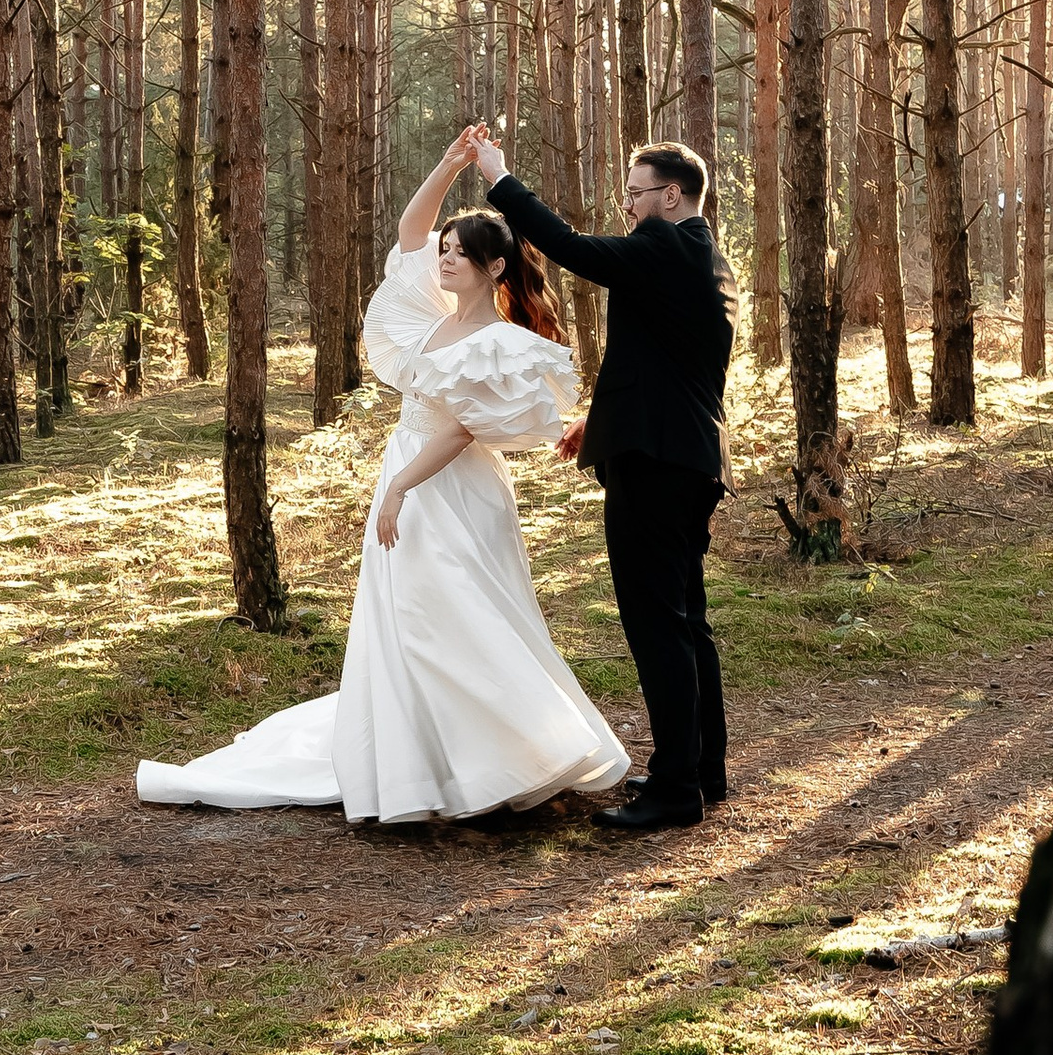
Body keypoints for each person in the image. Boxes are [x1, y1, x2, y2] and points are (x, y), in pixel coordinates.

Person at [136, 132, 630, 827]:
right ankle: (424, 762)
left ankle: (509, 758)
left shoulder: (503, 343)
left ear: (495, 267)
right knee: (407, 620)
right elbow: (410, 231)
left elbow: (461, 429)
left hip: (452, 488)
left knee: (463, 614)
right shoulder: (430, 321)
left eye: (461, 253)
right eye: (446, 252)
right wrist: (453, 163)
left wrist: (400, 488)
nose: (446, 258)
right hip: (406, 472)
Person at [471, 131, 737, 833]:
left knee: (657, 627)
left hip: (655, 467)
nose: (628, 203)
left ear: (671, 196)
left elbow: (569, 248)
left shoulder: (667, 246)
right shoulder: (704, 259)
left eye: (636, 192)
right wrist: (602, 416)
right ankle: (702, 768)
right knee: (685, 621)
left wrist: (501, 178)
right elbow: (667, 360)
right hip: (686, 457)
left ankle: (678, 790)